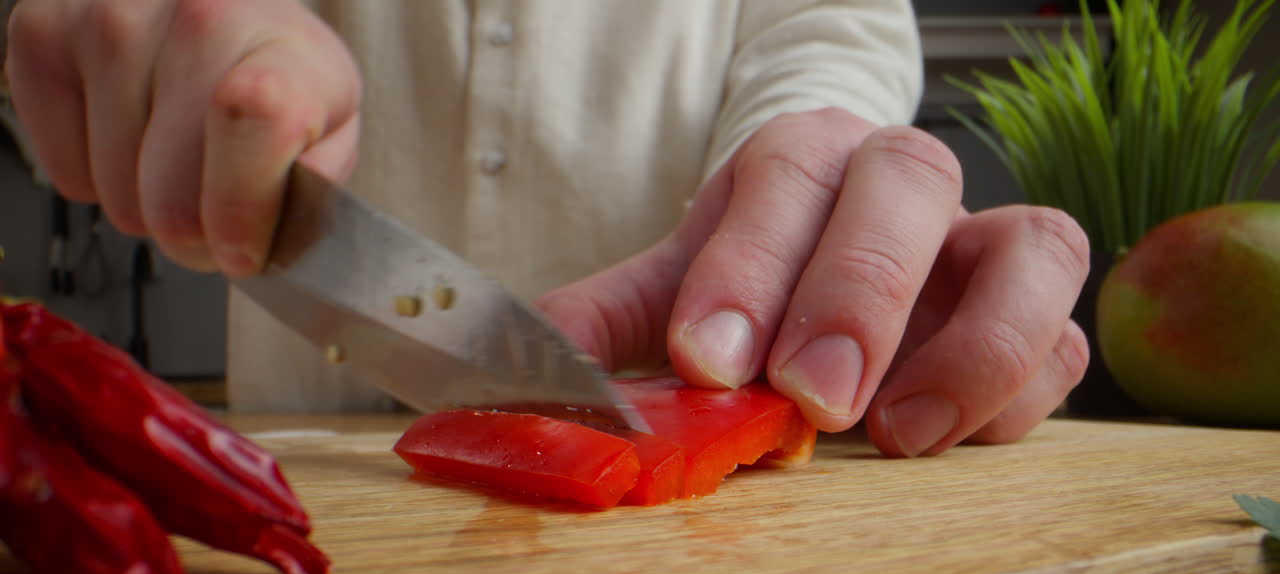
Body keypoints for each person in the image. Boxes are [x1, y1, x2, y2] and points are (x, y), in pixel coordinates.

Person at [4, 0, 1089, 458]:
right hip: (314, 473)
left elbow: (825, 29)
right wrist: (124, 46)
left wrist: (806, 170)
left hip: (681, 529)